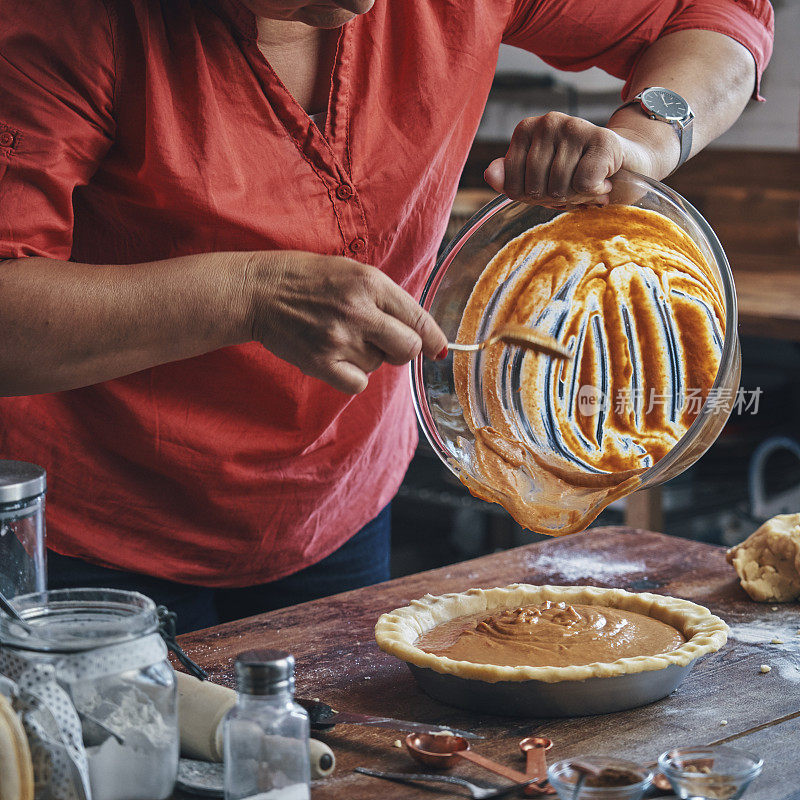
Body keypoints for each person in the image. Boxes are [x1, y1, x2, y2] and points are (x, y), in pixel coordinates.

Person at [0, 0, 773, 632]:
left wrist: (640, 139)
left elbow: (720, 17)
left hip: (338, 505)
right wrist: (246, 295)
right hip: (92, 541)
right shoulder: (62, 25)